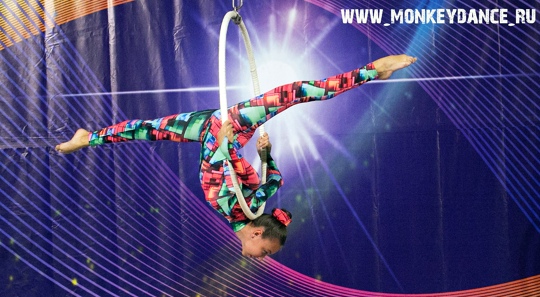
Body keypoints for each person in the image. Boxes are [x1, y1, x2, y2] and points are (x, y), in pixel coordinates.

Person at [56, 54, 417, 259]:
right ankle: (372, 71)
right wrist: (254, 150)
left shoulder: (247, 209)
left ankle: (88, 138)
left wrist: (260, 155)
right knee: (295, 93)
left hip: (214, 131)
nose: (264, 257)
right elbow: (218, 168)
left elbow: (270, 179)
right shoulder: (239, 208)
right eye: (267, 251)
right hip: (228, 128)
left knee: (146, 129)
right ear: (257, 233)